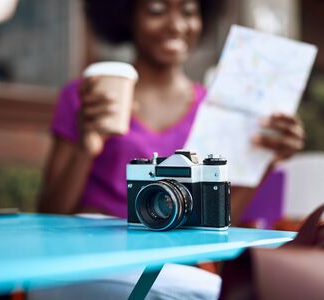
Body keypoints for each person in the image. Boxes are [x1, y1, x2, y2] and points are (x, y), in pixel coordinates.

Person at [36, 0, 304, 299]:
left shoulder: (214, 111)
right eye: (156, 10)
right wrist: (86, 147)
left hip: (169, 267)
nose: (176, 25)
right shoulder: (88, 97)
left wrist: (267, 157)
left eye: (188, 11)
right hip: (86, 262)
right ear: (128, 17)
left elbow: (213, 223)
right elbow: (49, 213)